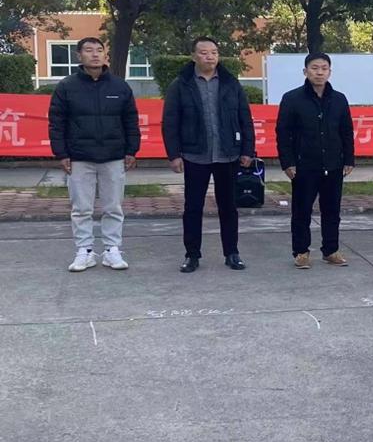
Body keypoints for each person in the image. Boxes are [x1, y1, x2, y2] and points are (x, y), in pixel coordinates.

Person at [162, 37, 255, 273]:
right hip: (195, 155)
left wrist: (247, 150)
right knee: (193, 207)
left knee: (229, 207)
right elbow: (170, 122)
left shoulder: (230, 83)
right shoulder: (181, 84)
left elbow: (245, 118)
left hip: (227, 154)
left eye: (214, 52)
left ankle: (232, 253)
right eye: (204, 53)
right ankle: (192, 255)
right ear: (194, 56)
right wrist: (174, 154)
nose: (209, 57)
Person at [48, 37, 140, 272]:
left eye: (99, 50)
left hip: (113, 156)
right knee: (81, 208)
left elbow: (131, 120)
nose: (95, 54)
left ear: (105, 55)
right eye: (89, 50)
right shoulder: (67, 87)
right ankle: (85, 251)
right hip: (79, 157)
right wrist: (61, 153)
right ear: (79, 56)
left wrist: (131, 150)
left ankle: (112, 250)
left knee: (113, 207)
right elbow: (56, 123)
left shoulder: (119, 87)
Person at [276, 52, 355, 269]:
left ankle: (331, 250)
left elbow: (346, 131)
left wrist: (349, 158)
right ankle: (301, 252)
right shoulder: (292, 98)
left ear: (330, 72)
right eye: (314, 68)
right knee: (301, 211)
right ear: (305, 71)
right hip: (304, 165)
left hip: (334, 164)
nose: (319, 72)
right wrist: (287, 162)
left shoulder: (339, 99)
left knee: (332, 211)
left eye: (324, 68)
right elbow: (283, 133)